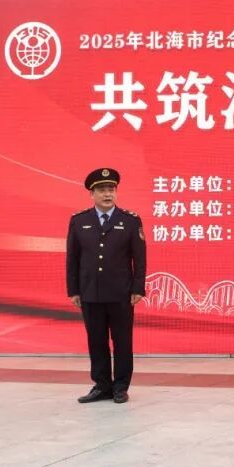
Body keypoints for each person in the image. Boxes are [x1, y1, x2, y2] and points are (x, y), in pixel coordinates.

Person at [66, 168, 146, 404]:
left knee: (122, 341)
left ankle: (120, 386)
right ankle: (102, 386)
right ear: (92, 194)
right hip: (90, 292)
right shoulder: (79, 221)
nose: (107, 194)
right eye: (102, 190)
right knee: (96, 341)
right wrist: (73, 289)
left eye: (111, 189)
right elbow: (72, 258)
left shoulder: (130, 220)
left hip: (121, 293)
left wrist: (138, 288)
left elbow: (139, 258)